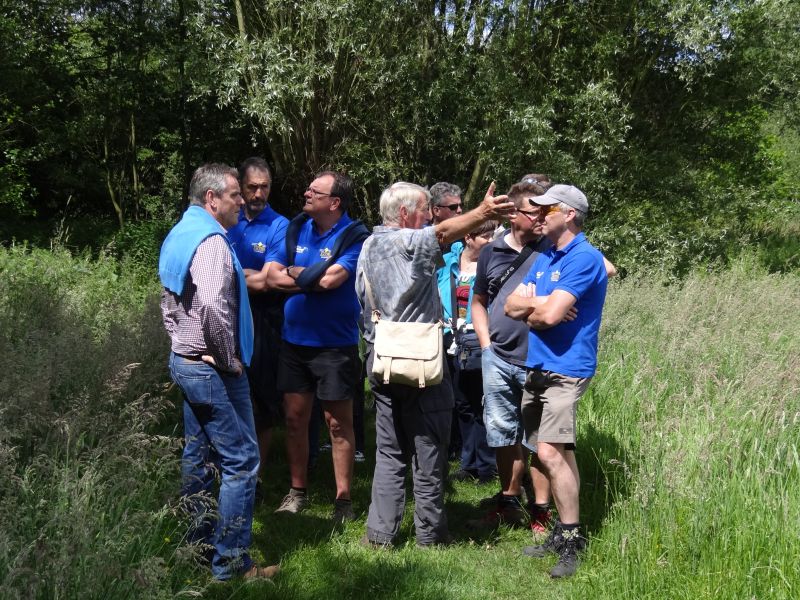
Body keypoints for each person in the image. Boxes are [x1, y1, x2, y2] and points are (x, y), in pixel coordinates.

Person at [356, 180, 514, 548]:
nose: (430, 217)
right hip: (421, 365)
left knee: (390, 451)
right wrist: (485, 213)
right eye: (425, 210)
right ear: (406, 214)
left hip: (381, 360)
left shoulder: (368, 243)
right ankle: (431, 536)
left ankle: (379, 536)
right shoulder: (407, 242)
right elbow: (443, 232)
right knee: (428, 451)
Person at [159, 163, 278, 581]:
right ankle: (230, 564)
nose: (242, 201)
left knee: (198, 458)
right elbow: (211, 306)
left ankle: (196, 549)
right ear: (212, 199)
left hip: (187, 362)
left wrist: (181, 343)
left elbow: (169, 303)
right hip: (211, 369)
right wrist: (227, 358)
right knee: (241, 462)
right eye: (234, 195)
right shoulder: (209, 241)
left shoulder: (180, 233)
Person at [505, 184, 609, 578]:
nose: (538, 214)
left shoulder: (583, 257)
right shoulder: (547, 254)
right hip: (539, 364)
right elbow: (513, 304)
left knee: (548, 452)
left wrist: (538, 308)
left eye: (546, 209)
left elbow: (548, 318)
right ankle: (565, 531)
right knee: (558, 452)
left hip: (568, 367)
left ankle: (571, 537)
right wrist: (538, 304)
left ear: (568, 214)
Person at [265, 171, 370, 522]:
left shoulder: (355, 236)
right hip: (293, 342)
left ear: (334, 202)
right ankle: (297, 492)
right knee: (295, 421)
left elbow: (331, 281)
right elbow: (270, 276)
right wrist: (306, 275)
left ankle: (343, 500)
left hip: (334, 346)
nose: (306, 193)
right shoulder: (297, 228)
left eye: (315, 190)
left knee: (337, 424)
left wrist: (296, 273)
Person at [469, 178, 555, 530]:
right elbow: (479, 301)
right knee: (503, 433)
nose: (540, 220)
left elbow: (603, 267)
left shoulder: (554, 249)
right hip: (499, 358)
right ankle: (509, 501)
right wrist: (486, 345)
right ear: (513, 215)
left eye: (545, 213)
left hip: (541, 359)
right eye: (534, 213)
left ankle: (541, 510)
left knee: (538, 439)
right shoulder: (491, 251)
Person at [227, 157, 289, 483]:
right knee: (226, 394)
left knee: (262, 401)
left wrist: (230, 274)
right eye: (252, 187)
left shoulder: (279, 225)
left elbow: (269, 280)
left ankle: (258, 478)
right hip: (226, 317)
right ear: (241, 186)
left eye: (264, 187)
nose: (258, 193)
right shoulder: (227, 219)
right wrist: (246, 276)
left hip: (264, 318)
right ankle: (227, 471)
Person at [438, 220, 498, 484]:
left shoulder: (493, 263)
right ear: (469, 237)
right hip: (450, 341)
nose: (492, 241)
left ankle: (487, 466)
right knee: (461, 404)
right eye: (487, 236)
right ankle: (468, 462)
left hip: (479, 340)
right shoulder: (444, 263)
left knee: (483, 403)